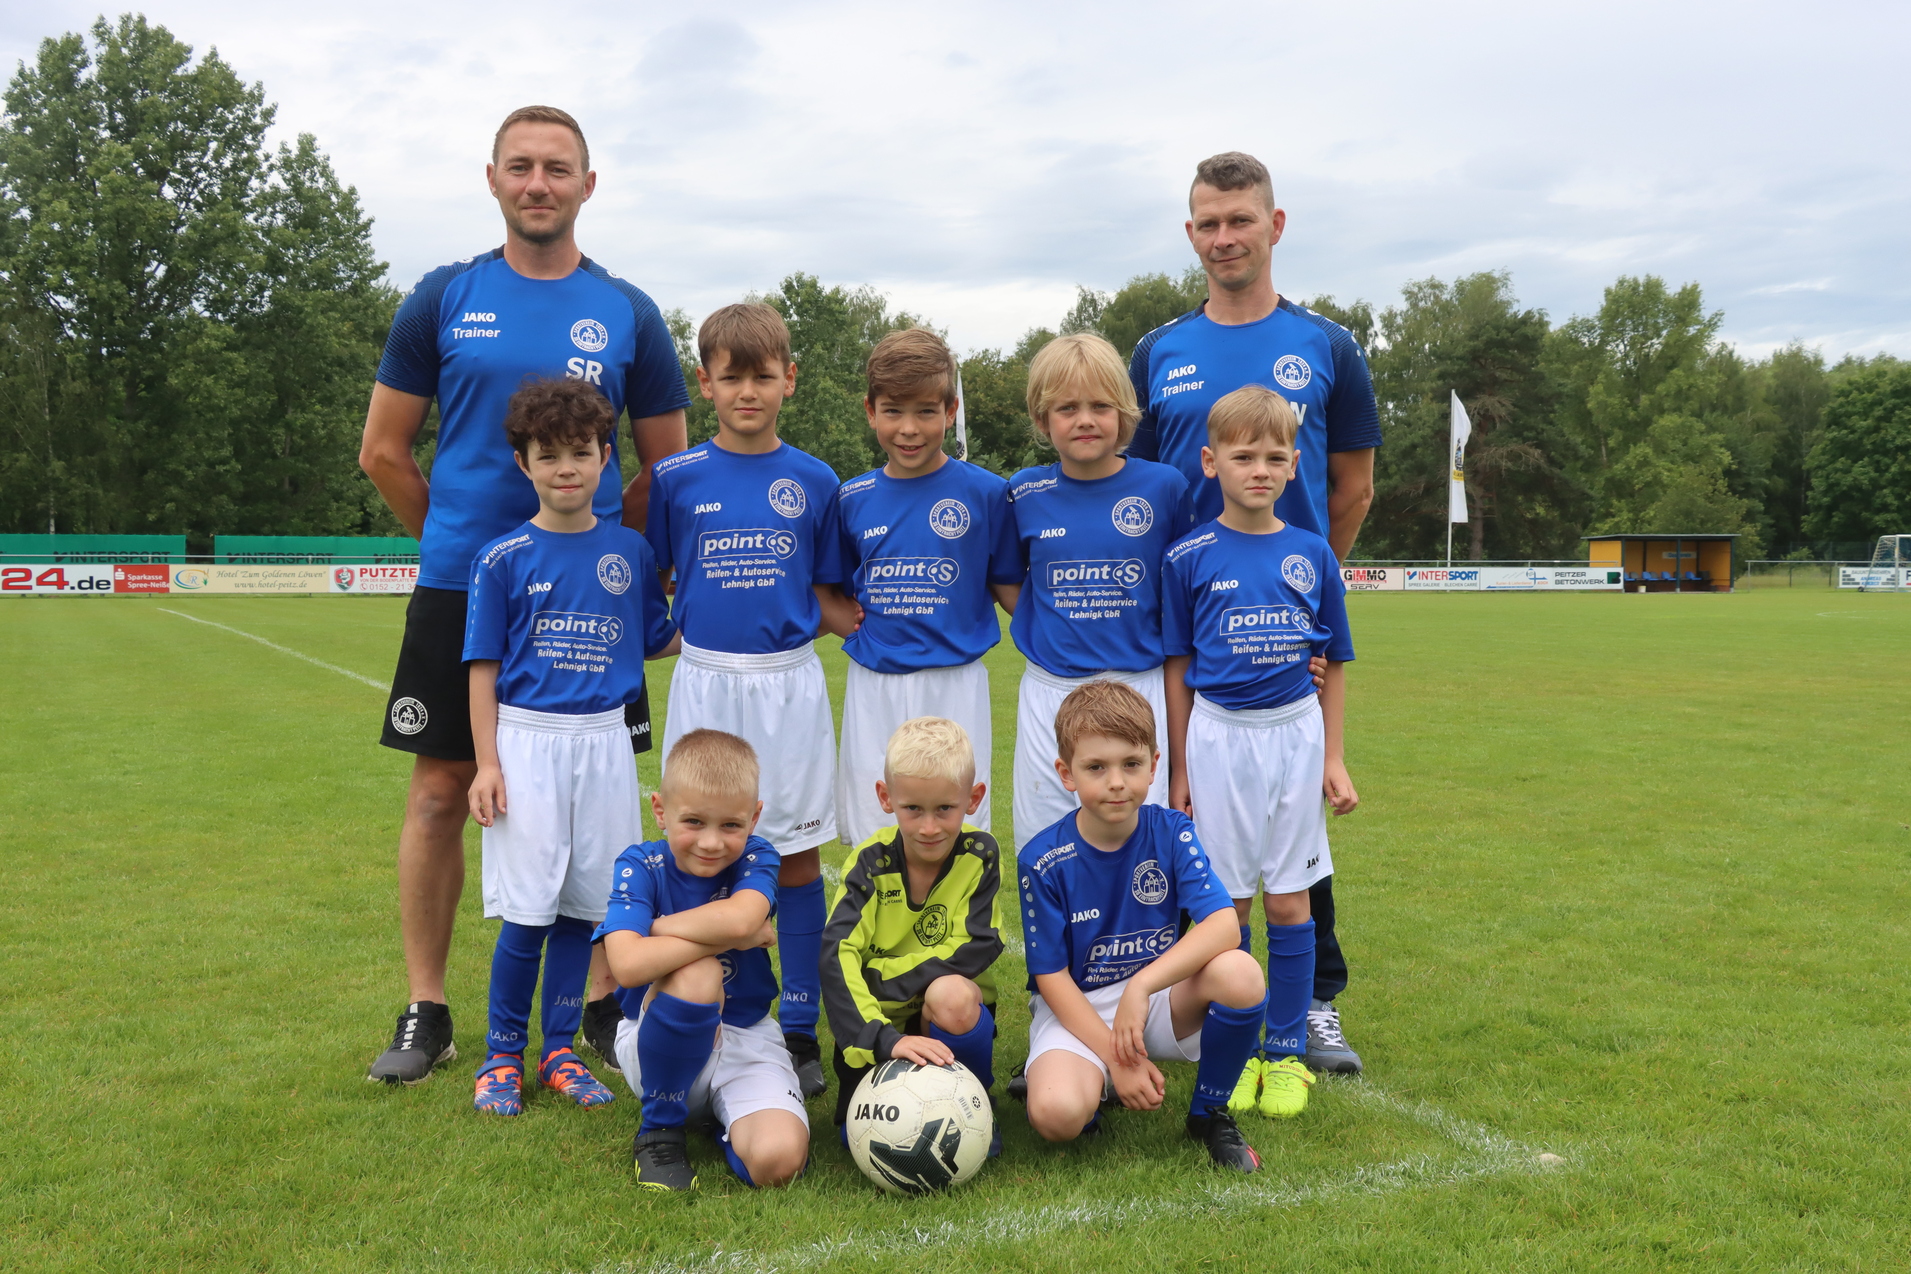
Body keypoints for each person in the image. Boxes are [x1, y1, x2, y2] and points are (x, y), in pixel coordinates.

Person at [359, 105, 689, 1084]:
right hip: (461, 582)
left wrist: (599, 553)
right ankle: (428, 1008)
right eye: (520, 166)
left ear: (587, 184)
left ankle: (596, 1001)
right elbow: (383, 451)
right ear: (493, 179)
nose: (537, 183)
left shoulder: (627, 310)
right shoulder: (443, 297)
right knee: (439, 794)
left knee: (597, 800)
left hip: (593, 598)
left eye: (556, 167)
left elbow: (664, 471)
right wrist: (472, 552)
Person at [1127, 150, 1380, 1074]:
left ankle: (1312, 1005)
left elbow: (1351, 487)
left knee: (1297, 828)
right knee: (1199, 826)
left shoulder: (1328, 345)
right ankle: (1202, 1001)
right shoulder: (1157, 351)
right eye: (1208, 222)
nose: (1224, 237)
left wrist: (1300, 595)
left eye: (1240, 220)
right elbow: (1141, 484)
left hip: (1282, 636)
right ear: (1189, 233)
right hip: (1191, 631)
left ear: (1274, 226)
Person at [642, 302, 857, 1098]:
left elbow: (830, 592)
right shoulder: (674, 479)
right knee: (698, 846)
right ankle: (703, 1008)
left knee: (794, 852)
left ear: (788, 380)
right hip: (704, 680)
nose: (747, 392)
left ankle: (797, 1026)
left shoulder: (816, 480)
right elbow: (653, 579)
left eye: (763, 376)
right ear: (704, 383)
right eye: (730, 377)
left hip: (787, 681)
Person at [462, 378, 679, 1115]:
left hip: (605, 743)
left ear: (605, 458)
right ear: (522, 463)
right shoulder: (501, 558)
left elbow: (660, 638)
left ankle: (558, 1050)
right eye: (548, 455)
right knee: (528, 911)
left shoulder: (629, 551)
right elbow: (483, 668)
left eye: (581, 452)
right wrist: (487, 763)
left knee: (584, 913)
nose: (566, 468)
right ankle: (501, 1056)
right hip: (528, 743)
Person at [1161, 386, 1359, 1120]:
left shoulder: (1312, 553)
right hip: (1218, 738)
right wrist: (1181, 767)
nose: (1260, 470)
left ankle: (1284, 1053)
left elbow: (1336, 659)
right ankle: (1239, 1046)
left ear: (1295, 465)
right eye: (1243, 456)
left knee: (1289, 899)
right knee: (1229, 904)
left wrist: (1333, 757)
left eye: (1275, 457)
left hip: (1294, 736)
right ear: (1211, 462)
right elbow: (1178, 667)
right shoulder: (1187, 556)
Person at [1017, 681, 1268, 1171]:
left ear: (1154, 766)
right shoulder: (1042, 859)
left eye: (1131, 764)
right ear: (1066, 774)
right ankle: (1096, 1082)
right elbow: (1050, 977)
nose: (1116, 782)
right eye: (1096, 767)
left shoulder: (1171, 831)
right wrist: (1117, 1058)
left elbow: (1225, 925)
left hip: (1156, 998)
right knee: (1056, 1114)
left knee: (1241, 974)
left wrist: (1142, 986)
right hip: (1078, 1006)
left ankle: (1209, 1113)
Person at [596, 729, 810, 1192]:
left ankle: (723, 1121)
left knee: (779, 1162)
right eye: (693, 821)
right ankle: (659, 1130)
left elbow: (742, 919)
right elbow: (628, 967)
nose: (711, 842)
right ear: (660, 810)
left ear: (754, 818)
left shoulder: (758, 855)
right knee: (697, 974)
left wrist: (656, 928)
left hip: (746, 1038)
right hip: (656, 1038)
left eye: (730, 825)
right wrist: (725, 938)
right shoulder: (640, 864)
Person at [834, 329, 1023, 847]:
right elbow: (831, 590)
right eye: (893, 411)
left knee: (957, 832)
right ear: (870, 411)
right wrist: (849, 625)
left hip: (955, 683)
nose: (909, 428)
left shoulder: (988, 493)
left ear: (950, 410)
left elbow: (1009, 587)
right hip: (875, 685)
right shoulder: (850, 499)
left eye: (925, 411)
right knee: (877, 831)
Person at [1006, 333, 1193, 849]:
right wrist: (1051, 625)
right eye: (1067, 408)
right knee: (1046, 846)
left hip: (1138, 689)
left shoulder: (1165, 487)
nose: (1084, 419)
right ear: (1042, 419)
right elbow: (1007, 578)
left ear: (1124, 413)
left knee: (1140, 850)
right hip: (1051, 692)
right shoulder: (1024, 491)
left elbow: (1186, 596)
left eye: (1100, 406)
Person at [819, 717, 1004, 1152]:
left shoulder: (979, 854)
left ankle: (975, 1104)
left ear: (973, 799)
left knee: (952, 994)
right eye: (913, 809)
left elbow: (978, 943)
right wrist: (886, 1038)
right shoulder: (869, 864)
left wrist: (881, 977)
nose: (929, 827)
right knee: (856, 1138)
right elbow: (836, 955)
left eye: (945, 809)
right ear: (886, 798)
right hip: (878, 1021)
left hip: (940, 1011)